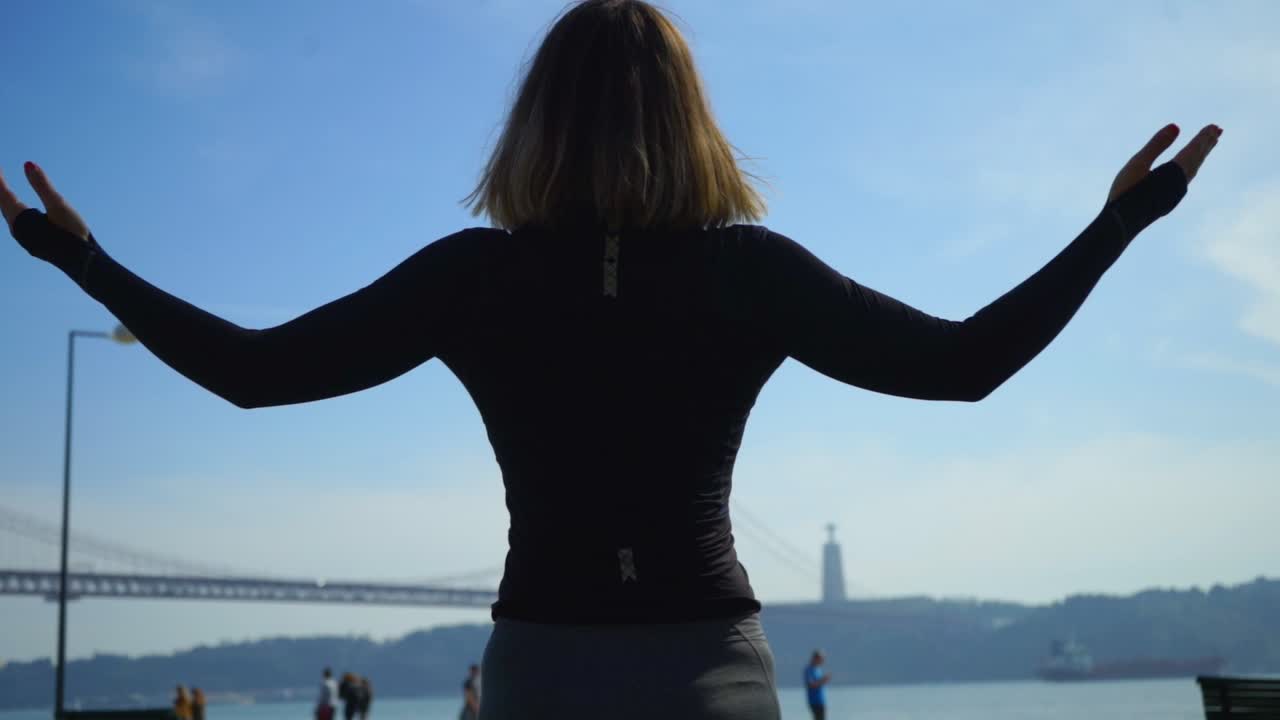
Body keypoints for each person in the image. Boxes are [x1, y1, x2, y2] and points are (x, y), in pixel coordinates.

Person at [1, 0, 1221, 717]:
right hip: (709, 668)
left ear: (534, 120)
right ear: (690, 119)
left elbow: (253, 372)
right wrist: (1113, 226)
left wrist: (86, 263)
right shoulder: (745, 269)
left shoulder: (474, 277)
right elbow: (964, 364)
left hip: (540, 666)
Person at [804, 651, 830, 720]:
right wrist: (823, 680)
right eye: (821, 659)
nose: (822, 661)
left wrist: (823, 680)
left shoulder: (817, 669)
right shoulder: (808, 670)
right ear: (815, 658)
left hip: (821, 700)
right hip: (814, 701)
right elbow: (811, 684)